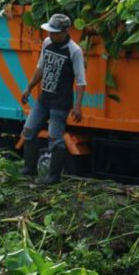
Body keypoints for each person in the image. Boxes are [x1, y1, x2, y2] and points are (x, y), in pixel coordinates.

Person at [19, 13, 85, 184]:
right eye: (50, 32)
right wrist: (29, 88)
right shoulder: (47, 43)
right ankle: (29, 168)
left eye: (55, 32)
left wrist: (77, 106)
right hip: (44, 99)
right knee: (28, 131)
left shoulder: (74, 51)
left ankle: (54, 176)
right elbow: (40, 68)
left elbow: (81, 81)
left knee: (55, 139)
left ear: (65, 32)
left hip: (60, 103)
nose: (51, 35)